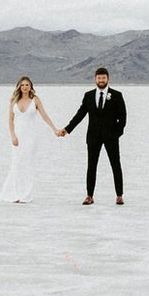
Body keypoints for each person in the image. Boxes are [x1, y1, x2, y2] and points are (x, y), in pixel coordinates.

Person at [0, 76, 63, 203]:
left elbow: (44, 115)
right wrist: (13, 136)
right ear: (19, 87)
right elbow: (10, 120)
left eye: (27, 85)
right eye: (22, 85)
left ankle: (26, 194)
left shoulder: (35, 100)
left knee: (27, 164)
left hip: (31, 137)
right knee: (16, 164)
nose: (25, 87)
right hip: (18, 137)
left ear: (31, 86)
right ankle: (14, 193)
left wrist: (54, 128)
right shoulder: (14, 100)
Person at [63, 67, 127, 205]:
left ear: (108, 79)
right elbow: (80, 115)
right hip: (93, 137)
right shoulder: (88, 96)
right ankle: (89, 195)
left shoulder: (117, 95)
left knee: (115, 165)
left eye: (103, 78)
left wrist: (117, 133)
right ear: (95, 79)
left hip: (111, 137)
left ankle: (119, 195)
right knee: (91, 166)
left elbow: (122, 117)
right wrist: (67, 129)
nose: (101, 80)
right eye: (99, 78)